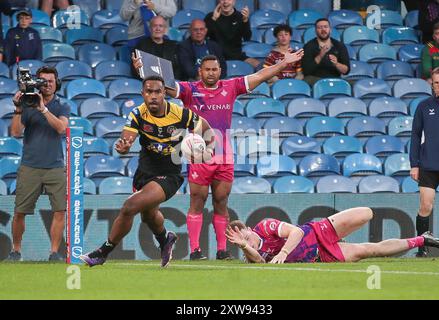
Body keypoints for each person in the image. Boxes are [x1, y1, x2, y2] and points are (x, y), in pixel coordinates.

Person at [133, 50, 304, 260]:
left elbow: (260, 75)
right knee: (197, 200)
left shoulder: (231, 87)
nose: (211, 73)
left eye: (215, 69)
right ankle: (195, 251)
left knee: (221, 201)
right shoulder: (189, 90)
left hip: (224, 154)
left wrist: (283, 64)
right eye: (207, 69)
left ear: (220, 71)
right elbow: (160, 87)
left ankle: (222, 250)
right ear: (200, 71)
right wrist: (142, 70)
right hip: (199, 154)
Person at [80, 75, 215, 268]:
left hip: (169, 175)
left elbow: (209, 133)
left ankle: (103, 252)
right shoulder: (138, 114)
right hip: (144, 172)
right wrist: (124, 146)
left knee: (129, 207)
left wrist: (208, 152)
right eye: (149, 91)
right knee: (148, 216)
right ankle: (164, 239)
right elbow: (127, 139)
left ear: (164, 94)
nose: (153, 96)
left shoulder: (181, 114)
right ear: (142, 93)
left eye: (157, 92)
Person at [226, 207, 439, 263]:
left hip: (316, 232)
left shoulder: (265, 226)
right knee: (369, 250)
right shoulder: (252, 254)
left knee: (366, 214)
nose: (247, 242)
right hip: (319, 256)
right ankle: (424, 239)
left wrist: (284, 252)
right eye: (241, 243)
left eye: (245, 237)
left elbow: (294, 232)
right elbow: (259, 261)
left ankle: (424, 237)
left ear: (248, 228)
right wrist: (245, 247)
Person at [7, 66, 70, 261]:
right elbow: (15, 132)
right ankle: (16, 251)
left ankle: (53, 253)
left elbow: (61, 128)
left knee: (59, 211)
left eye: (51, 81)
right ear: (38, 83)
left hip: (55, 166)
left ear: (56, 83)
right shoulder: (27, 104)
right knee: (19, 212)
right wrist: (18, 109)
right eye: (43, 81)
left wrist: (43, 109)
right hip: (30, 165)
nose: (47, 85)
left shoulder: (62, 105)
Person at [410, 66, 439, 258]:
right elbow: (415, 136)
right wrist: (414, 164)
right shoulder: (424, 106)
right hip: (427, 165)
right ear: (431, 84)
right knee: (426, 206)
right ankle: (421, 248)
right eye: (436, 83)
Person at [204, 0, 260, 68]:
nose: (225, 2)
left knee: (260, 66)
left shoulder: (240, 16)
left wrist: (245, 21)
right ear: (219, 2)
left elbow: (247, 37)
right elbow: (204, 37)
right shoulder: (210, 16)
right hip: (216, 57)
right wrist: (214, 19)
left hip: (237, 55)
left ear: (234, 1)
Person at [302, 18, 350, 86]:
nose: (323, 30)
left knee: (354, 83)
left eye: (325, 27)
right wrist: (320, 56)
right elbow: (306, 71)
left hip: (335, 79)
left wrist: (336, 64)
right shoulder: (308, 46)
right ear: (315, 31)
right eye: (320, 27)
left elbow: (346, 71)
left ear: (330, 29)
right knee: (307, 80)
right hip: (315, 79)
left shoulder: (339, 45)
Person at [133, 15, 182, 80]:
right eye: (154, 26)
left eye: (160, 26)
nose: (157, 29)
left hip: (170, 83)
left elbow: (178, 69)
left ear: (165, 29)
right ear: (150, 28)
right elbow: (137, 70)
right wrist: (137, 70)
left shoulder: (173, 46)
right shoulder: (141, 45)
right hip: (149, 83)